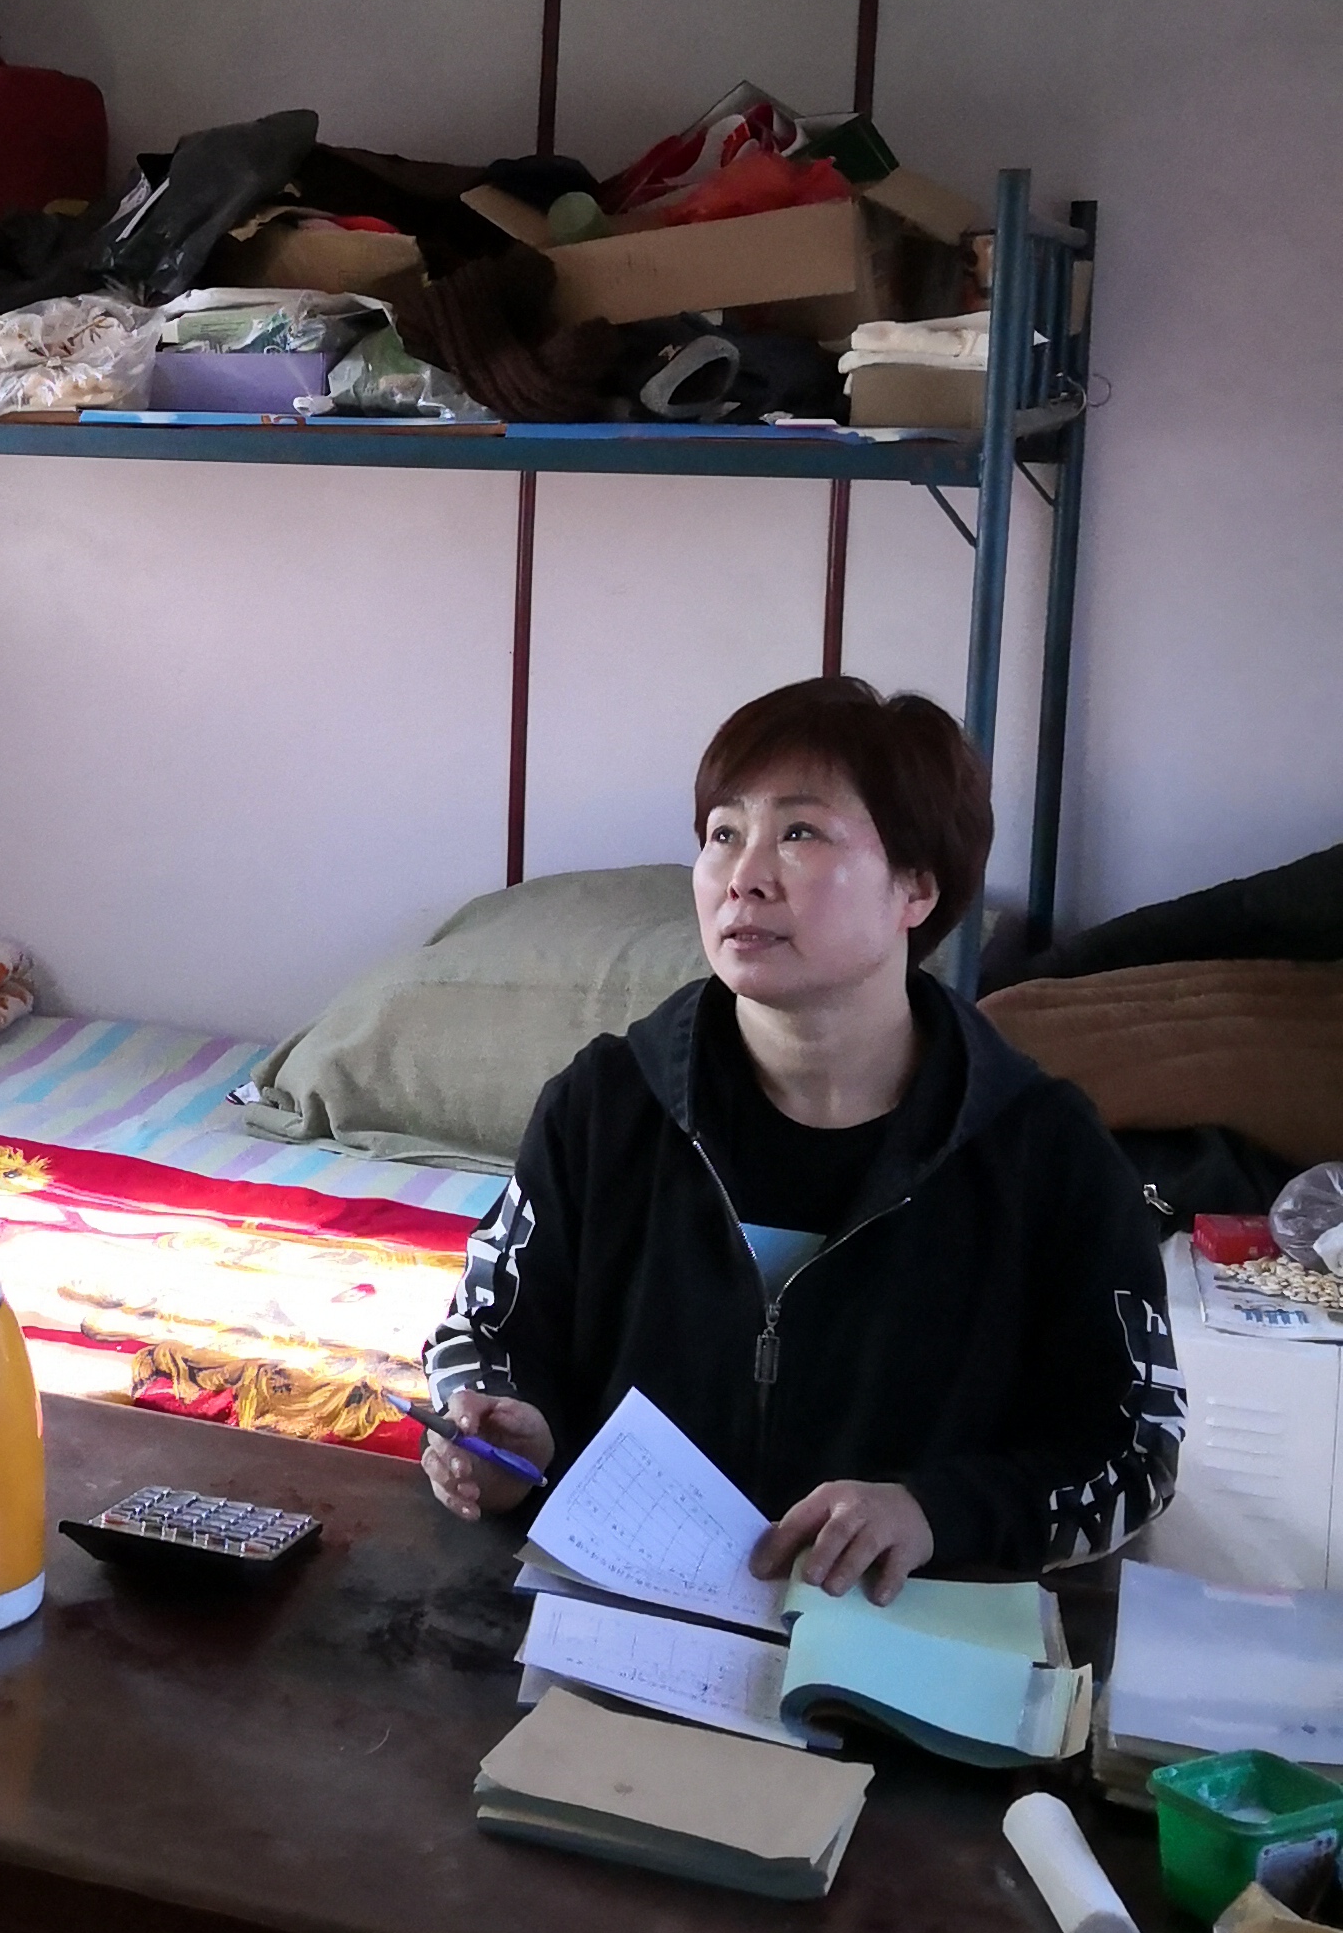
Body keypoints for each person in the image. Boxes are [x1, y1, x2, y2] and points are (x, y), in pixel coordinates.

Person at [422, 675, 1182, 1599]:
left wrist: (933, 1513)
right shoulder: (605, 1106)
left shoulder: (1042, 1151)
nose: (743, 875)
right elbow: (483, 1333)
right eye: (722, 834)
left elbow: (1134, 1449)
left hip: (900, 1637)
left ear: (915, 887)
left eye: (800, 833)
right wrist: (508, 1434)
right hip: (620, 1620)